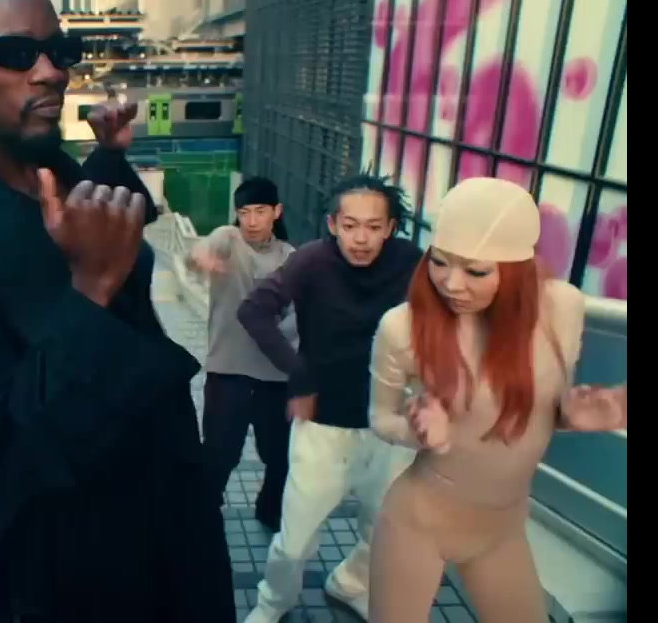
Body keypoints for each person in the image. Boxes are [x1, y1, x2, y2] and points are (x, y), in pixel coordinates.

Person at [0, 0, 235, 622]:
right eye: (16, 53)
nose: (52, 72)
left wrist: (107, 160)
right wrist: (90, 289)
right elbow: (0, 459)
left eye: (61, 50)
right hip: (74, 581)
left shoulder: (48, 166)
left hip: (163, 520)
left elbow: (98, 231)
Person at [366, 177, 626, 622]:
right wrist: (421, 433)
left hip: (502, 529)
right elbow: (380, 417)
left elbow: (537, 411)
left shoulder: (561, 308)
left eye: (477, 271)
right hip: (419, 521)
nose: (451, 284)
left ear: (518, 268)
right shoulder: (403, 327)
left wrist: (573, 415)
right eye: (439, 262)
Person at [237, 173, 422, 623]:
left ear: (390, 227)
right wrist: (299, 378)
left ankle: (352, 583)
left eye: (374, 227)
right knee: (295, 540)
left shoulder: (411, 262)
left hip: (391, 424)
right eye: (350, 225)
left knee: (384, 530)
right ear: (333, 224)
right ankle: (272, 603)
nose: (361, 238)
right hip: (322, 424)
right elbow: (254, 311)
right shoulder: (311, 261)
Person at [187, 176, 297, 531]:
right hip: (227, 371)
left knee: (279, 456)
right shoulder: (229, 239)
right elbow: (201, 250)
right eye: (244, 212)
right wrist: (200, 257)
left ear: (276, 212)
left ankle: (270, 510)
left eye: (260, 211)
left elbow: (298, 318)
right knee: (218, 453)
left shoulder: (291, 258)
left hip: (275, 378)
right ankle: (203, 516)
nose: (250, 221)